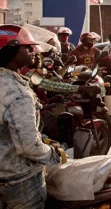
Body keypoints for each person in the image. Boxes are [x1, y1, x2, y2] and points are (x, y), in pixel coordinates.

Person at [0, 26, 64, 208]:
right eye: (28, 48)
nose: (34, 52)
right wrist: (52, 154)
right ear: (11, 50)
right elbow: (28, 146)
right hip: (20, 181)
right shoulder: (18, 90)